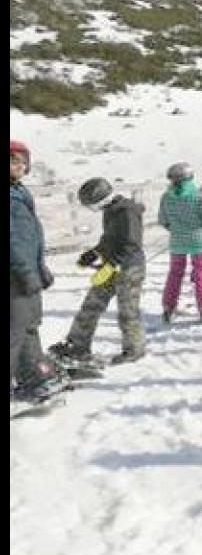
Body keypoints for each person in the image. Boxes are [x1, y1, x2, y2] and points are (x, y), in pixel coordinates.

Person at [50, 177, 147, 365]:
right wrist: (94, 253)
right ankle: (77, 344)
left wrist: (114, 264)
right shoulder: (110, 210)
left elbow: (132, 244)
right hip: (111, 266)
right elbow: (108, 239)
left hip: (129, 268)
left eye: (90, 204)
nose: (90, 208)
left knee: (127, 311)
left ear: (101, 198)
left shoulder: (127, 212)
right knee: (91, 304)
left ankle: (134, 349)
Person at [10, 139, 64, 403]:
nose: (17, 166)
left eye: (21, 161)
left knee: (30, 325)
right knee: (14, 331)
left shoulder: (19, 192)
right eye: (12, 160)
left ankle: (33, 376)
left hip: (26, 271)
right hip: (14, 274)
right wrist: (24, 271)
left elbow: (28, 237)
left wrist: (39, 268)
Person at [159, 162, 202, 323]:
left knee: (175, 273)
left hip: (177, 241)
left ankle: (168, 306)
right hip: (199, 241)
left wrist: (175, 228)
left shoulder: (166, 197)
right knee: (201, 272)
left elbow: (162, 220)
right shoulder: (197, 196)